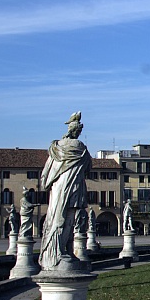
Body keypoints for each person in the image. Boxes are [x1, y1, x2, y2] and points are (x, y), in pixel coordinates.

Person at [40, 112, 92, 271]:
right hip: (74, 188)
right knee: (68, 219)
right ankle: (61, 252)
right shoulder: (81, 148)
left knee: (58, 217)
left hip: (59, 189)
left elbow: (46, 173)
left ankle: (57, 252)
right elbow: (88, 167)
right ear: (77, 132)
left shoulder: (56, 148)